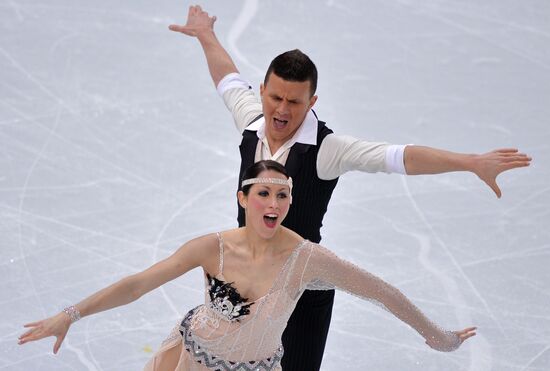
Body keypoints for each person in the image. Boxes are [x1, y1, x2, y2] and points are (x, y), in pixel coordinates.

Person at [168, 5, 530, 370]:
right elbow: (227, 78)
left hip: (303, 293)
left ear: (312, 102)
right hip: (247, 284)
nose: (281, 109)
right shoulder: (252, 121)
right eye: (275, 97)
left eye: (294, 102)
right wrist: (206, 35)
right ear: (262, 90)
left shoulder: (327, 149)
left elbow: (400, 157)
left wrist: (469, 163)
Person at [19, 160, 476, 370]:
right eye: (263, 193)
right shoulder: (211, 248)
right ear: (243, 199)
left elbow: (380, 291)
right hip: (190, 359)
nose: (274, 203)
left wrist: (437, 336)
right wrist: (69, 314)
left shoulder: (306, 258)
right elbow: (138, 284)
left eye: (283, 195)